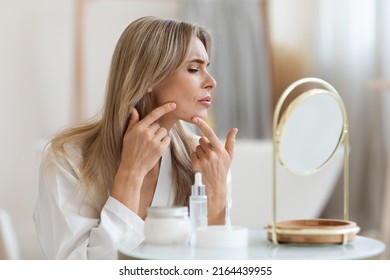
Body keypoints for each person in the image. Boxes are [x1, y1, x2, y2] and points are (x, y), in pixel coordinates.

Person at [33, 16, 238, 259]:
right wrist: (130, 174)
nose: (211, 82)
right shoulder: (68, 159)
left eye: (207, 67)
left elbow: (217, 267)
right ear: (149, 77)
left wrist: (216, 193)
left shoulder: (204, 160)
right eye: (194, 69)